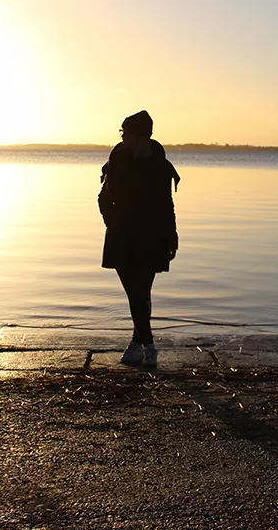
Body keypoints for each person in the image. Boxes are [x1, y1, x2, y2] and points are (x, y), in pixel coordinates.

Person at [99, 110, 180, 367]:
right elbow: (103, 197)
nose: (122, 135)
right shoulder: (117, 160)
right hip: (122, 234)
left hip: (151, 236)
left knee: (139, 292)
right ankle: (139, 345)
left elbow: (166, 204)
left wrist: (172, 234)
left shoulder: (158, 164)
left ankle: (147, 347)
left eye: (126, 131)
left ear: (139, 135)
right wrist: (112, 219)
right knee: (137, 293)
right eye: (121, 131)